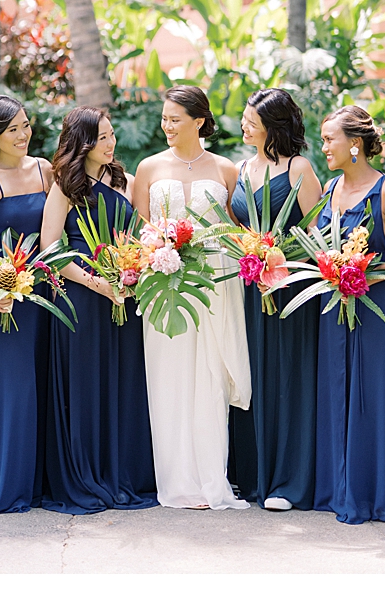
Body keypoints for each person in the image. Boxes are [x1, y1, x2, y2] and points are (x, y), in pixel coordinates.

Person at [130, 86, 249, 510]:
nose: (166, 126)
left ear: (199, 121)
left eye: (175, 119)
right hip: (164, 283)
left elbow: (239, 230)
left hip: (215, 282)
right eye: (164, 118)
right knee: (168, 377)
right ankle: (176, 480)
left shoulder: (225, 169)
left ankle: (210, 476)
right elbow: (136, 229)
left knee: (210, 378)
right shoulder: (147, 167)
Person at [39, 106, 158, 513]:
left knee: (123, 384)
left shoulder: (121, 179)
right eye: (102, 137)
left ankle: (123, 471)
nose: (111, 144)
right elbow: (50, 249)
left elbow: (137, 232)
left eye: (111, 135)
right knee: (87, 385)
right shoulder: (65, 185)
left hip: (123, 292)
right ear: (82, 142)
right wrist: (95, 282)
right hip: (82, 296)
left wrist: (135, 268)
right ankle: (87, 473)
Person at [313, 105, 385, 524]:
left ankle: (380, 493)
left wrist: (365, 273)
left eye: (329, 139)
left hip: (377, 307)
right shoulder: (328, 188)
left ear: (354, 144)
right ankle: (342, 486)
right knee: (338, 392)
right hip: (334, 306)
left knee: (374, 395)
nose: (324, 147)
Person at [226, 89, 325, 511]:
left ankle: (287, 480)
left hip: (288, 290)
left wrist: (278, 261)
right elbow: (235, 224)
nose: (244, 124)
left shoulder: (299, 168)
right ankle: (247, 476)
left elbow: (317, 233)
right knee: (249, 376)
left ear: (273, 125)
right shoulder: (240, 167)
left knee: (286, 378)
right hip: (247, 289)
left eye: (251, 119)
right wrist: (250, 252)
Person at [0, 95, 54, 513]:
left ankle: (44, 482)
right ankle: (5, 482)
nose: (23, 135)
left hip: (46, 295)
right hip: (4, 299)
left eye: (25, 125)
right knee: (12, 389)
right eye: (13, 129)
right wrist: (1, 279)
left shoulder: (45, 170)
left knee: (45, 382)